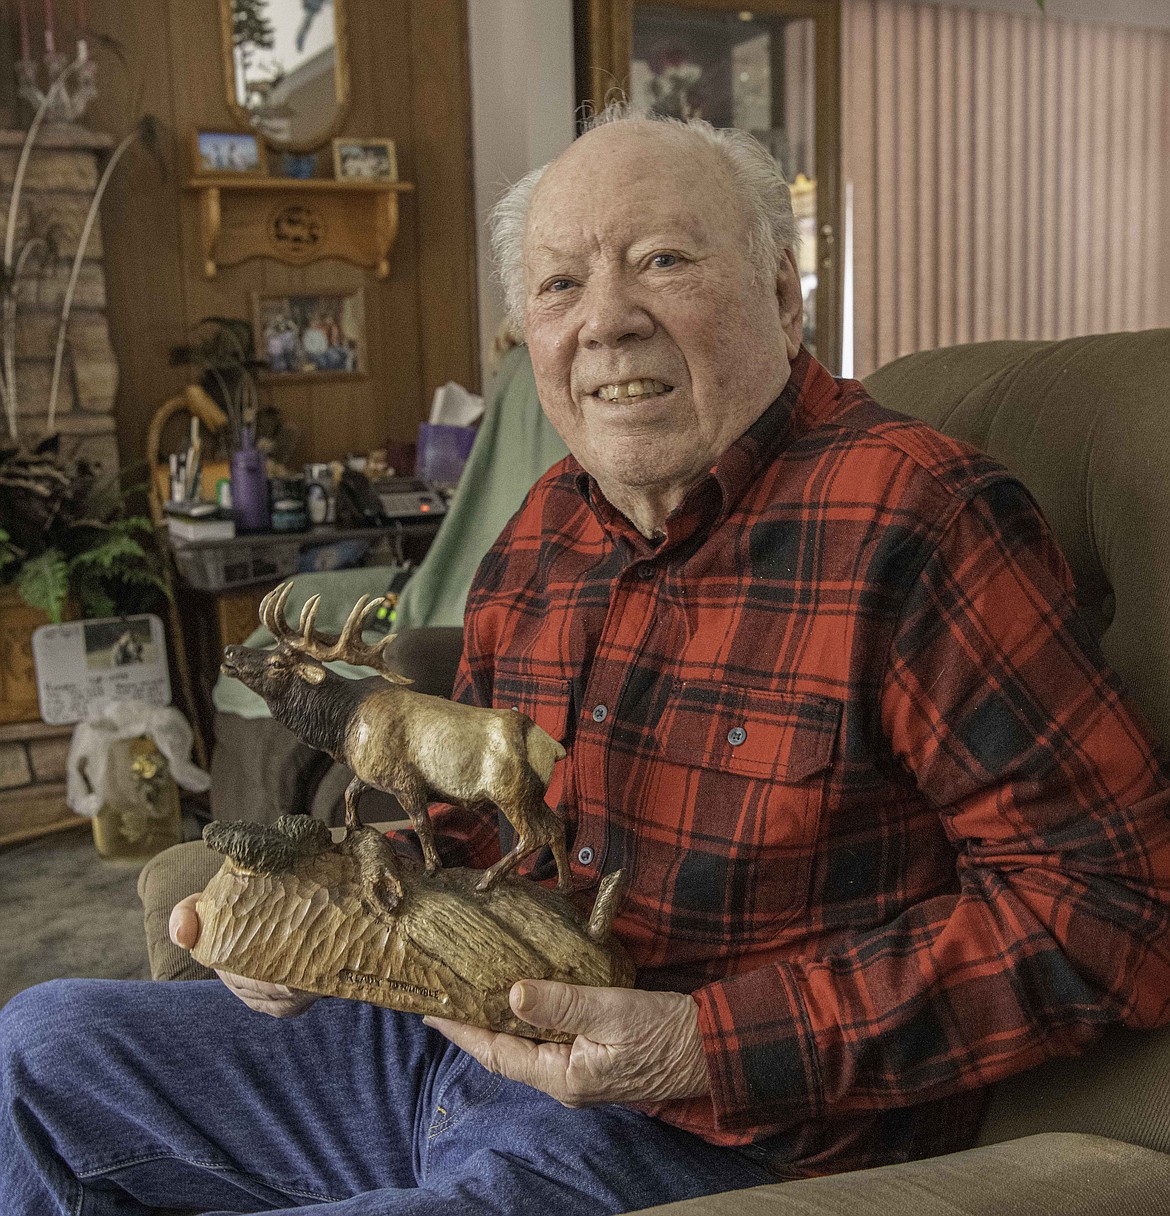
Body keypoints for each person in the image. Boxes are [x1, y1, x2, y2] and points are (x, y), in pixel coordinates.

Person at [4, 105, 1170, 1215]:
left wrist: (703, 1042)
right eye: (562, 284)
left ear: (780, 291)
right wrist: (333, 916)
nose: (605, 318)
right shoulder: (549, 521)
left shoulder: (919, 520)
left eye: (662, 260)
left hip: (704, 1131)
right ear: (534, 337)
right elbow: (473, 824)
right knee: (38, 1050)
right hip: (440, 1035)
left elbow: (1115, 906)